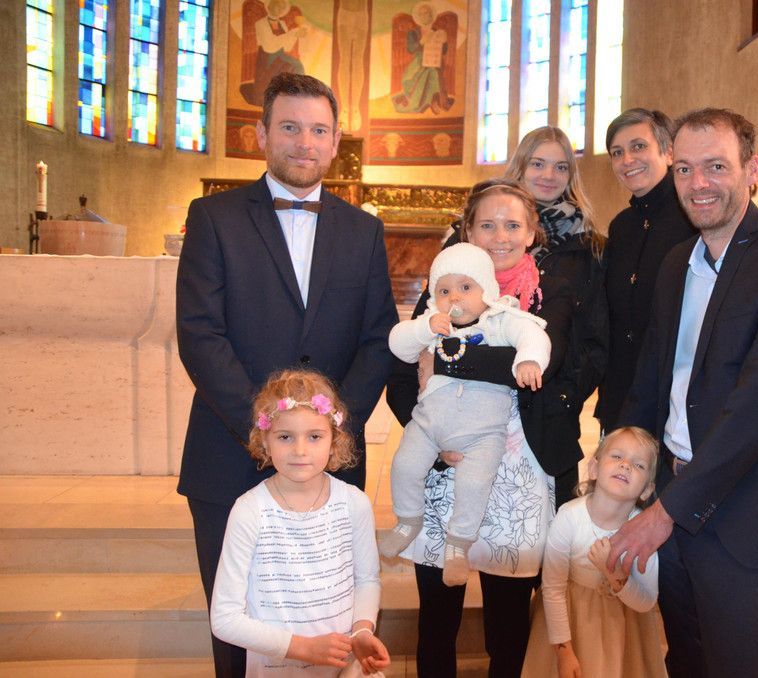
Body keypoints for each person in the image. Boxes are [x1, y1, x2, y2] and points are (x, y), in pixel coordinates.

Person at [176, 72, 397, 677]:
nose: (305, 142)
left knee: (332, 619)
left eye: (319, 130)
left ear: (336, 142)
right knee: (237, 631)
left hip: (330, 460)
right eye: (291, 127)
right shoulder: (214, 217)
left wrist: (331, 424)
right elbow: (200, 334)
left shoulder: (364, 229)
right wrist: (266, 426)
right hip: (229, 454)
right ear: (262, 134)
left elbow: (378, 337)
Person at [608, 108, 758, 677]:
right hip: (672, 490)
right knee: (684, 659)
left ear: (752, 170)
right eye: (685, 169)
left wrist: (664, 513)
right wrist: (624, 472)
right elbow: (653, 379)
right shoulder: (676, 265)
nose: (698, 183)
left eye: (716, 166)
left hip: (746, 508)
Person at [385, 178, 573, 678]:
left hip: (518, 467)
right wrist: (430, 439)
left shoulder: (551, 292)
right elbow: (401, 375)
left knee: (508, 622)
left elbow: (553, 362)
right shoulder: (443, 287)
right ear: (468, 230)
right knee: (437, 615)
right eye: (487, 225)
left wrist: (449, 360)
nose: (500, 236)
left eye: (512, 225)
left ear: (531, 232)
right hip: (447, 459)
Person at [380, 242, 551, 586]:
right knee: (404, 466)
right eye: (444, 291)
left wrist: (529, 360)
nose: (454, 297)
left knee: (474, 485)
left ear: (486, 290)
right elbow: (398, 344)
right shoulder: (432, 323)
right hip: (427, 426)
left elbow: (533, 335)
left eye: (466, 287)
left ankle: (458, 544)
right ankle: (407, 520)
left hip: (483, 434)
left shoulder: (500, 320)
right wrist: (425, 328)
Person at [210, 370, 390, 677]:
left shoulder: (354, 503)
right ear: (265, 441)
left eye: (315, 436)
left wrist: (362, 630)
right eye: (285, 437)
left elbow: (367, 580)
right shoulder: (250, 511)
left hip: (344, 667)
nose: (300, 450)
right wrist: (302, 647)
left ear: (334, 441)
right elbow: (225, 619)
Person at [504, 125, 609, 505]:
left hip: (553, 415)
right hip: (484, 408)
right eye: (538, 164)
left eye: (560, 167)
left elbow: (597, 337)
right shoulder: (482, 232)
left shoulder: (590, 247)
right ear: (520, 167)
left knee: (554, 529)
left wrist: (566, 396)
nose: (549, 175)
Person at [522, 427, 667, 678]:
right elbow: (553, 588)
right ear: (594, 468)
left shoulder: (643, 533)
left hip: (621, 631)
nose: (625, 465)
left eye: (639, 465)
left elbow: (646, 601)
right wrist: (564, 652)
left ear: (646, 489)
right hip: (570, 624)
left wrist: (615, 576)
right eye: (617, 456)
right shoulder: (569, 516)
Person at [598, 108, 697, 432]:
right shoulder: (621, 226)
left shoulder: (693, 219)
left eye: (638, 146)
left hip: (674, 397)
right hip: (621, 394)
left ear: (668, 152)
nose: (627, 159)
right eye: (617, 152)